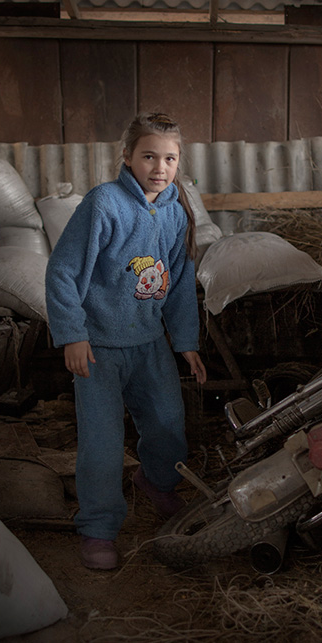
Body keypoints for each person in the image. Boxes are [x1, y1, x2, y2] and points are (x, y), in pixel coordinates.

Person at [45, 112, 207, 570]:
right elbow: (63, 270)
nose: (160, 166)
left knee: (168, 423)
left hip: (149, 342)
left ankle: (156, 482)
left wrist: (186, 342)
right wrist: (72, 336)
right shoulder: (105, 204)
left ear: (179, 162)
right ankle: (98, 527)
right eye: (149, 155)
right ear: (127, 157)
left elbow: (178, 282)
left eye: (170, 158)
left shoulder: (175, 212)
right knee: (102, 440)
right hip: (97, 347)